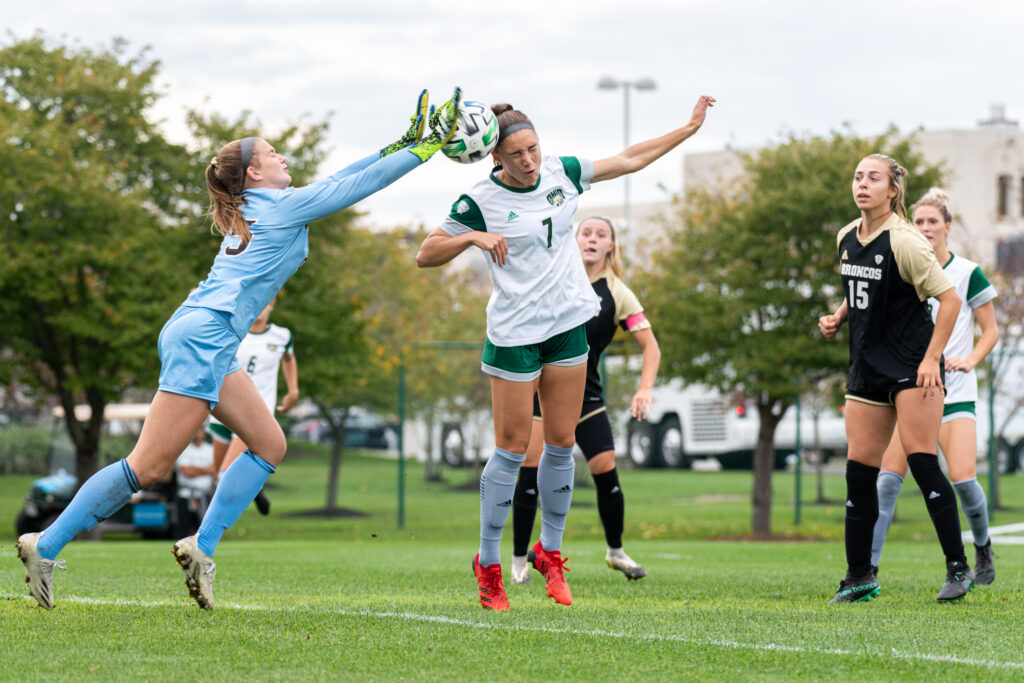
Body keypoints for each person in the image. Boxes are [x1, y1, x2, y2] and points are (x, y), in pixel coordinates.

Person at [15, 87, 462, 610]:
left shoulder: (268, 204)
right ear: (253, 173)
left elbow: (344, 179)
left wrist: (402, 142)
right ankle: (43, 544)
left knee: (269, 445)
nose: (283, 157)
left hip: (210, 336)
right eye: (273, 154)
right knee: (149, 468)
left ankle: (200, 548)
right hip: (205, 336)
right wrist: (425, 150)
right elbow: (360, 186)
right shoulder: (281, 208)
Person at [416, 95, 714, 610]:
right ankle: (489, 565)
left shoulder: (561, 172)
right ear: (495, 159)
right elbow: (427, 253)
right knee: (511, 450)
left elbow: (629, 159)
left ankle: (550, 557)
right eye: (516, 155)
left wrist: (686, 129)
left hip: (566, 327)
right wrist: (475, 239)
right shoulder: (478, 200)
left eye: (533, 149)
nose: (529, 160)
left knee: (560, 445)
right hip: (513, 334)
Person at [818, 154, 972, 604]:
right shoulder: (848, 236)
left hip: (911, 363)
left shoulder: (906, 241)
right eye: (857, 177)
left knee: (923, 463)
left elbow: (949, 302)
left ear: (893, 190)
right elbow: (863, 290)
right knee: (859, 472)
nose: (862, 184)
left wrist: (931, 360)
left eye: (873, 178)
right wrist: (839, 316)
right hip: (867, 364)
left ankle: (958, 567)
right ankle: (859, 575)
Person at [510, 216, 659, 585]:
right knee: (529, 474)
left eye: (601, 235)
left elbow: (650, 347)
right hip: (541, 394)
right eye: (586, 233)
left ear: (611, 246)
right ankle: (517, 564)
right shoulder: (554, 277)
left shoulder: (617, 292)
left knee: (607, 472)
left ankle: (615, 552)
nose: (592, 239)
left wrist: (644, 388)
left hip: (586, 397)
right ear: (574, 240)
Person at [870, 188, 998, 583]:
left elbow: (991, 331)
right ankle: (866, 570)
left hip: (953, 392)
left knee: (961, 478)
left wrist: (969, 361)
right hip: (911, 390)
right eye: (919, 222)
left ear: (947, 227)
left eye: (932, 222)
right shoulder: (904, 265)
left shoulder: (966, 272)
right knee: (887, 482)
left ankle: (982, 548)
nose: (925, 228)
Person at [208, 296, 299, 515]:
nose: (260, 308)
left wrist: (293, 390)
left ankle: (206, 538)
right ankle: (255, 488)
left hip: (255, 412)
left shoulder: (282, 336)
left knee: (225, 475)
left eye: (266, 302)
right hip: (223, 409)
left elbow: (288, 358)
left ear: (272, 305)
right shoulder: (233, 331)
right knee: (217, 477)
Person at [176, 423, 218, 533]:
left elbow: (215, 469)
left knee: (204, 528)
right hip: (186, 495)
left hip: (205, 495)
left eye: (200, 431)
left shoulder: (210, 449)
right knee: (184, 528)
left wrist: (196, 470)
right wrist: (207, 470)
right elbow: (186, 471)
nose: (198, 434)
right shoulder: (184, 450)